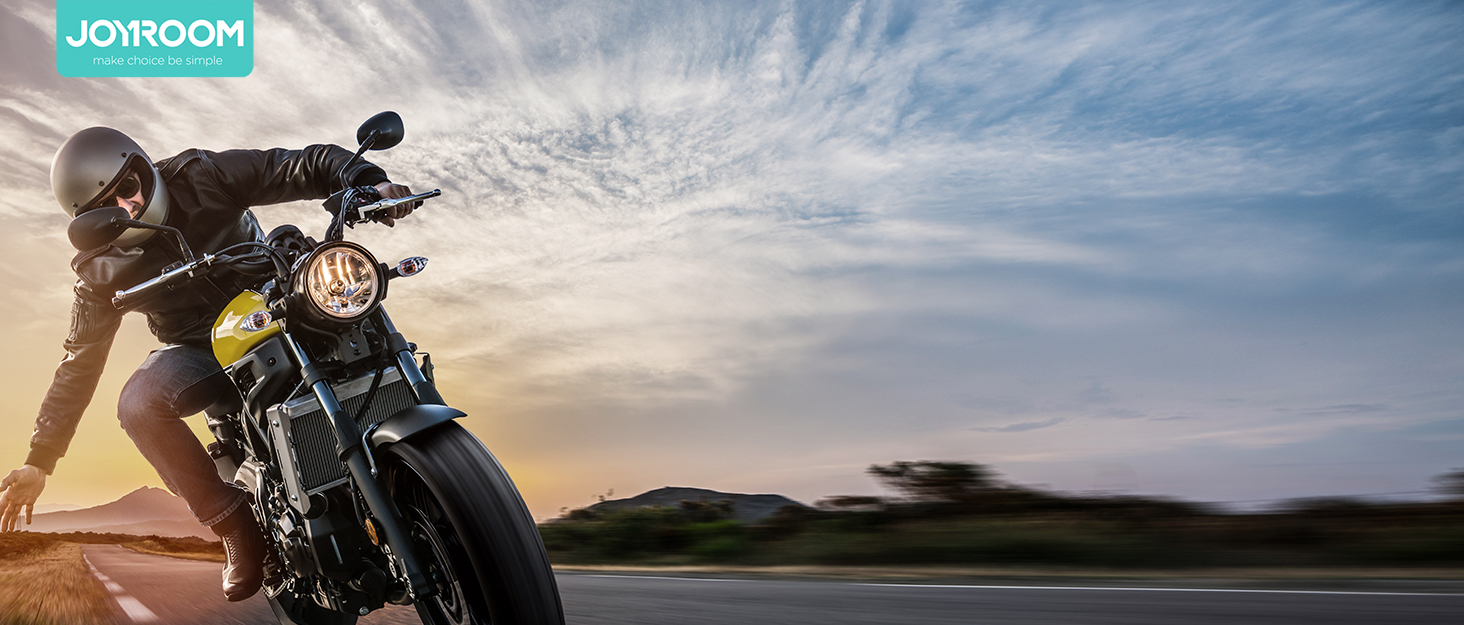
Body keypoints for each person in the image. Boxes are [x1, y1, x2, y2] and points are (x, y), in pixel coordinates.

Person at [0, 126, 417, 601]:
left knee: (353, 293)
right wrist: (40, 459)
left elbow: (297, 163)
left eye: (129, 187)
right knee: (138, 404)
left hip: (278, 301)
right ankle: (235, 526)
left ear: (142, 168)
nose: (128, 207)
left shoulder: (203, 175)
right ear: (89, 221)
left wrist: (366, 181)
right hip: (202, 350)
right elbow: (79, 362)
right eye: (108, 207)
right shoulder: (99, 270)